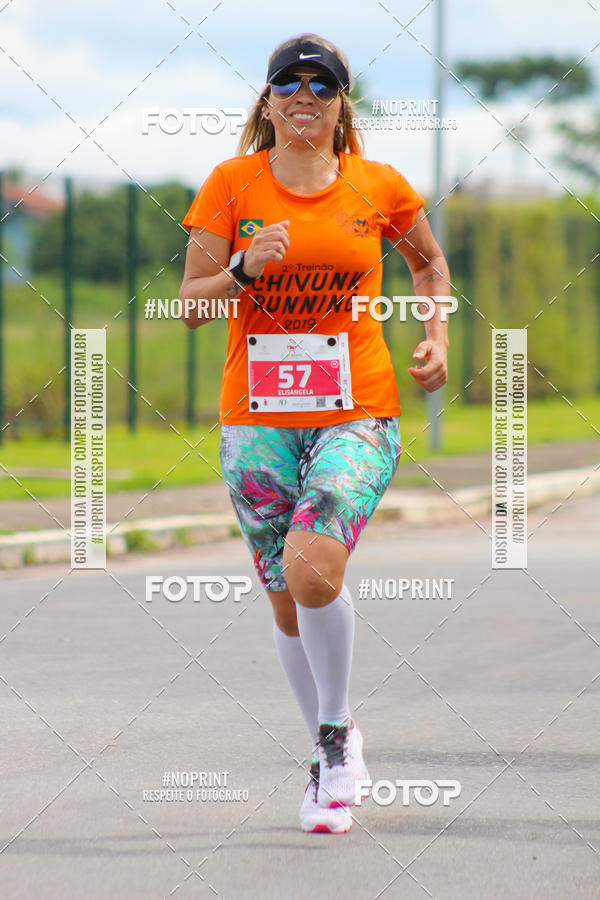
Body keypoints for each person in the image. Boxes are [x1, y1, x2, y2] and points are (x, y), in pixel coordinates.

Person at [179, 33, 450, 834]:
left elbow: (428, 264)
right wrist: (242, 271)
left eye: (321, 85)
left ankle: (334, 739)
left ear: (341, 106)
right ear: (267, 103)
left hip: (356, 409)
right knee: (288, 603)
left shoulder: (379, 185)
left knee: (312, 568)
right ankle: (327, 754)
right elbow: (192, 302)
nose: (304, 95)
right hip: (256, 421)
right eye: (287, 84)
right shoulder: (231, 186)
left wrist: (435, 333)